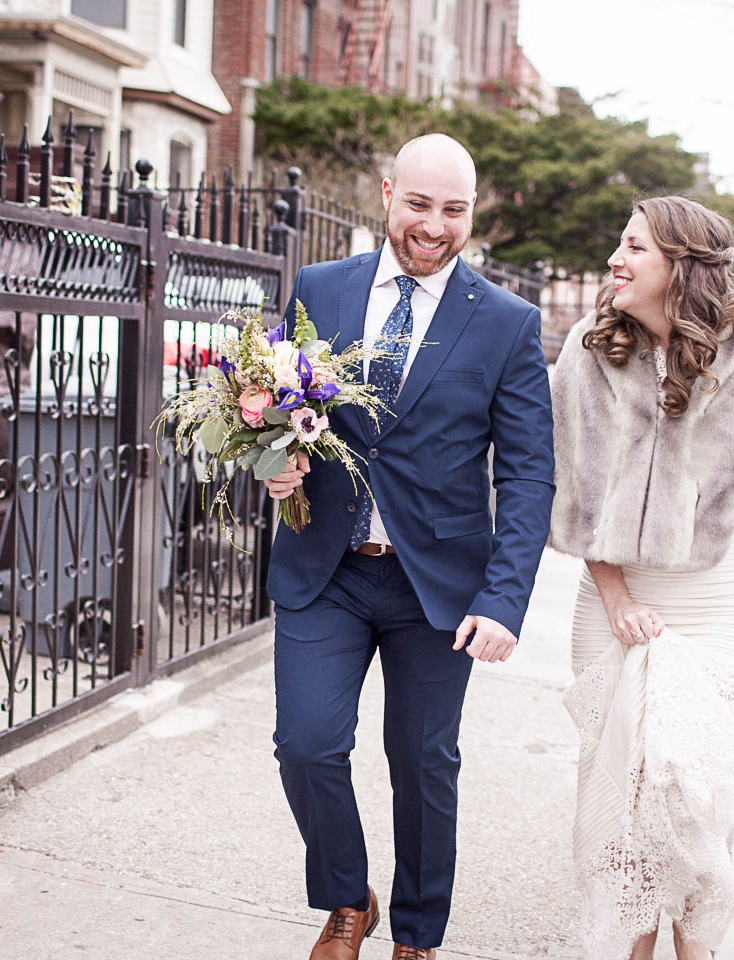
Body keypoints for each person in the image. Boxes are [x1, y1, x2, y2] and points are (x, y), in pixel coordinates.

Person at [263, 134, 555, 960]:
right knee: (306, 744)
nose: (434, 225)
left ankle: (418, 936)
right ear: (388, 195)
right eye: (419, 204)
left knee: (424, 766)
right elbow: (281, 411)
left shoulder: (506, 323)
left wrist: (503, 600)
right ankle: (349, 898)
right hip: (327, 570)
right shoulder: (320, 288)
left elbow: (529, 478)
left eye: (453, 210)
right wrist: (274, 465)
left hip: (440, 590)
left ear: (472, 214)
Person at [548, 196, 734, 960]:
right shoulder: (585, 350)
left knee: (688, 790)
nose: (617, 257)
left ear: (681, 266)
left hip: (721, 600)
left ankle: (697, 950)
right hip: (617, 597)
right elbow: (574, 495)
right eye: (620, 242)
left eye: (635, 246)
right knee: (628, 793)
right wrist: (616, 597)